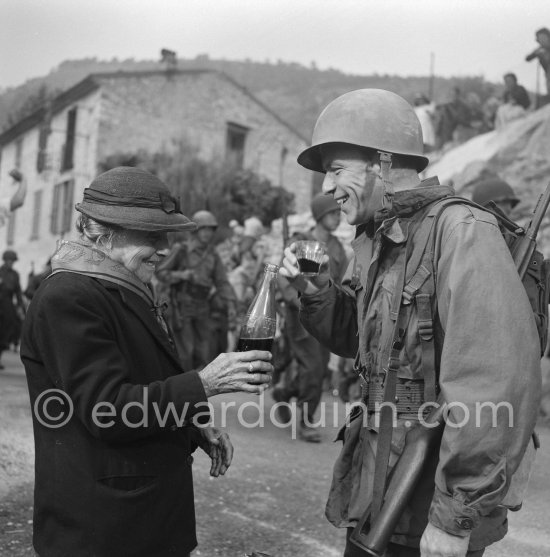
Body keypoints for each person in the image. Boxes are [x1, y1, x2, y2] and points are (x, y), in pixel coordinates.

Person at [280, 89, 540, 556]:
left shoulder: (460, 231)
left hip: (428, 496)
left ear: (381, 162)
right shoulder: (382, 236)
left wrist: (454, 517)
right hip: (378, 480)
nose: (325, 187)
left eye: (336, 170)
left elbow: (492, 381)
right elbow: (371, 348)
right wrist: (319, 292)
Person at [21, 166, 273, 557]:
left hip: (140, 518)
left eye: (166, 235)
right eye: (151, 235)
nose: (164, 248)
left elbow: (144, 378)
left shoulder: (120, 285)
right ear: (103, 231)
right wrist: (204, 384)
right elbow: (108, 410)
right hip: (102, 528)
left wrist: (193, 425)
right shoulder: (69, 297)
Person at [274, 195, 348, 442]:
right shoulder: (300, 243)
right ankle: (306, 422)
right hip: (301, 315)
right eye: (332, 214)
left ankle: (285, 391)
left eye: (339, 213)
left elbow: (342, 282)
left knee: (316, 366)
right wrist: (304, 301)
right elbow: (283, 278)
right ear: (319, 216)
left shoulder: (337, 247)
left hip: (327, 317)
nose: (337, 217)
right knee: (314, 367)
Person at [156, 209, 237, 369]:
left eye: (210, 229)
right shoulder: (182, 249)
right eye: (204, 229)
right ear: (196, 230)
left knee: (204, 352)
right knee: (186, 352)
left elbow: (222, 282)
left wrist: (231, 304)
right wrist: (181, 275)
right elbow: (160, 272)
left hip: (202, 305)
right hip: (183, 306)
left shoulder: (212, 254)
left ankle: (200, 388)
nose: (207, 233)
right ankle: (183, 388)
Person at [0, 249, 24, 368]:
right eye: (9, 260)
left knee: (5, 332)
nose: (11, 262)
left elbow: (18, 292)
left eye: (12, 260)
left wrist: (20, 306)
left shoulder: (15, 275)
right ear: (4, 260)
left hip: (8, 304)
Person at [525, 27, 550, 99]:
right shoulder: (539, 49)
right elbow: (527, 59)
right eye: (540, 38)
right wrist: (536, 53)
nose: (542, 40)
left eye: (543, 37)